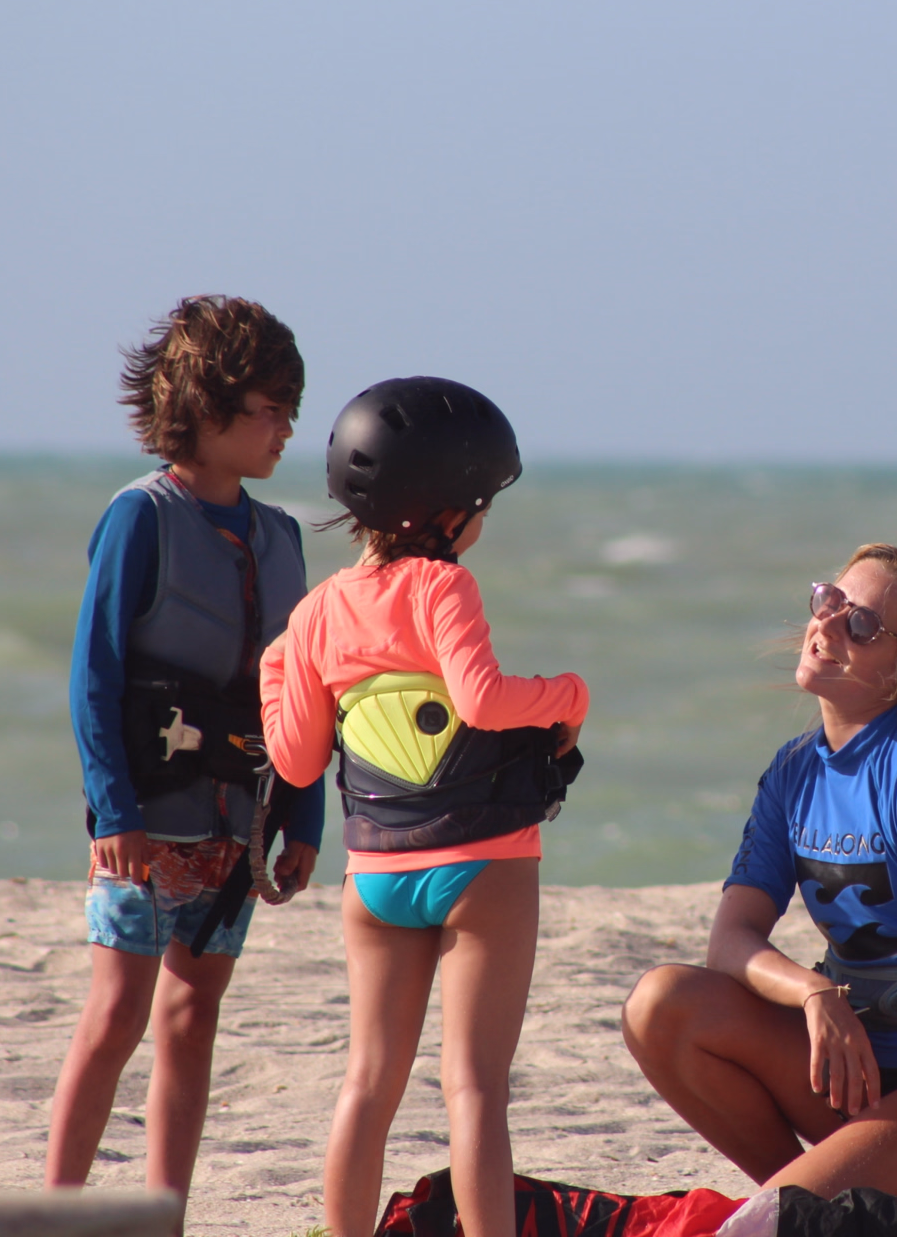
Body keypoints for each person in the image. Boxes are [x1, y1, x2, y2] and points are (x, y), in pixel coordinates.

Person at [621, 544, 897, 1232]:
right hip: (865, 1070)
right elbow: (730, 941)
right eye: (828, 601)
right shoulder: (796, 770)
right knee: (663, 1006)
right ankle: (821, 1205)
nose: (826, 626)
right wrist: (814, 991)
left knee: (758, 1226)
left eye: (860, 625)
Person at [259, 377, 590, 1237]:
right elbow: (480, 701)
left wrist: (277, 669)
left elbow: (294, 758)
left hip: (375, 874)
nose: (482, 525)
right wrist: (565, 695)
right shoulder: (444, 589)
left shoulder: (319, 609)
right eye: (481, 507)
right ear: (447, 512)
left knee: (367, 1081)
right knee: (473, 1085)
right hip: (481, 860)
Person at [46, 295, 324, 1222]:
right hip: (145, 819)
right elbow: (96, 677)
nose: (286, 427)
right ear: (204, 409)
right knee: (117, 1012)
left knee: (192, 1017)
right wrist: (112, 811)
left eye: (292, 407)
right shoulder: (141, 519)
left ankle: (164, 1212)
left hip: (236, 829)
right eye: (268, 408)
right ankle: (55, 1209)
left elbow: (305, 698)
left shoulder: (281, 537)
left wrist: (303, 818)